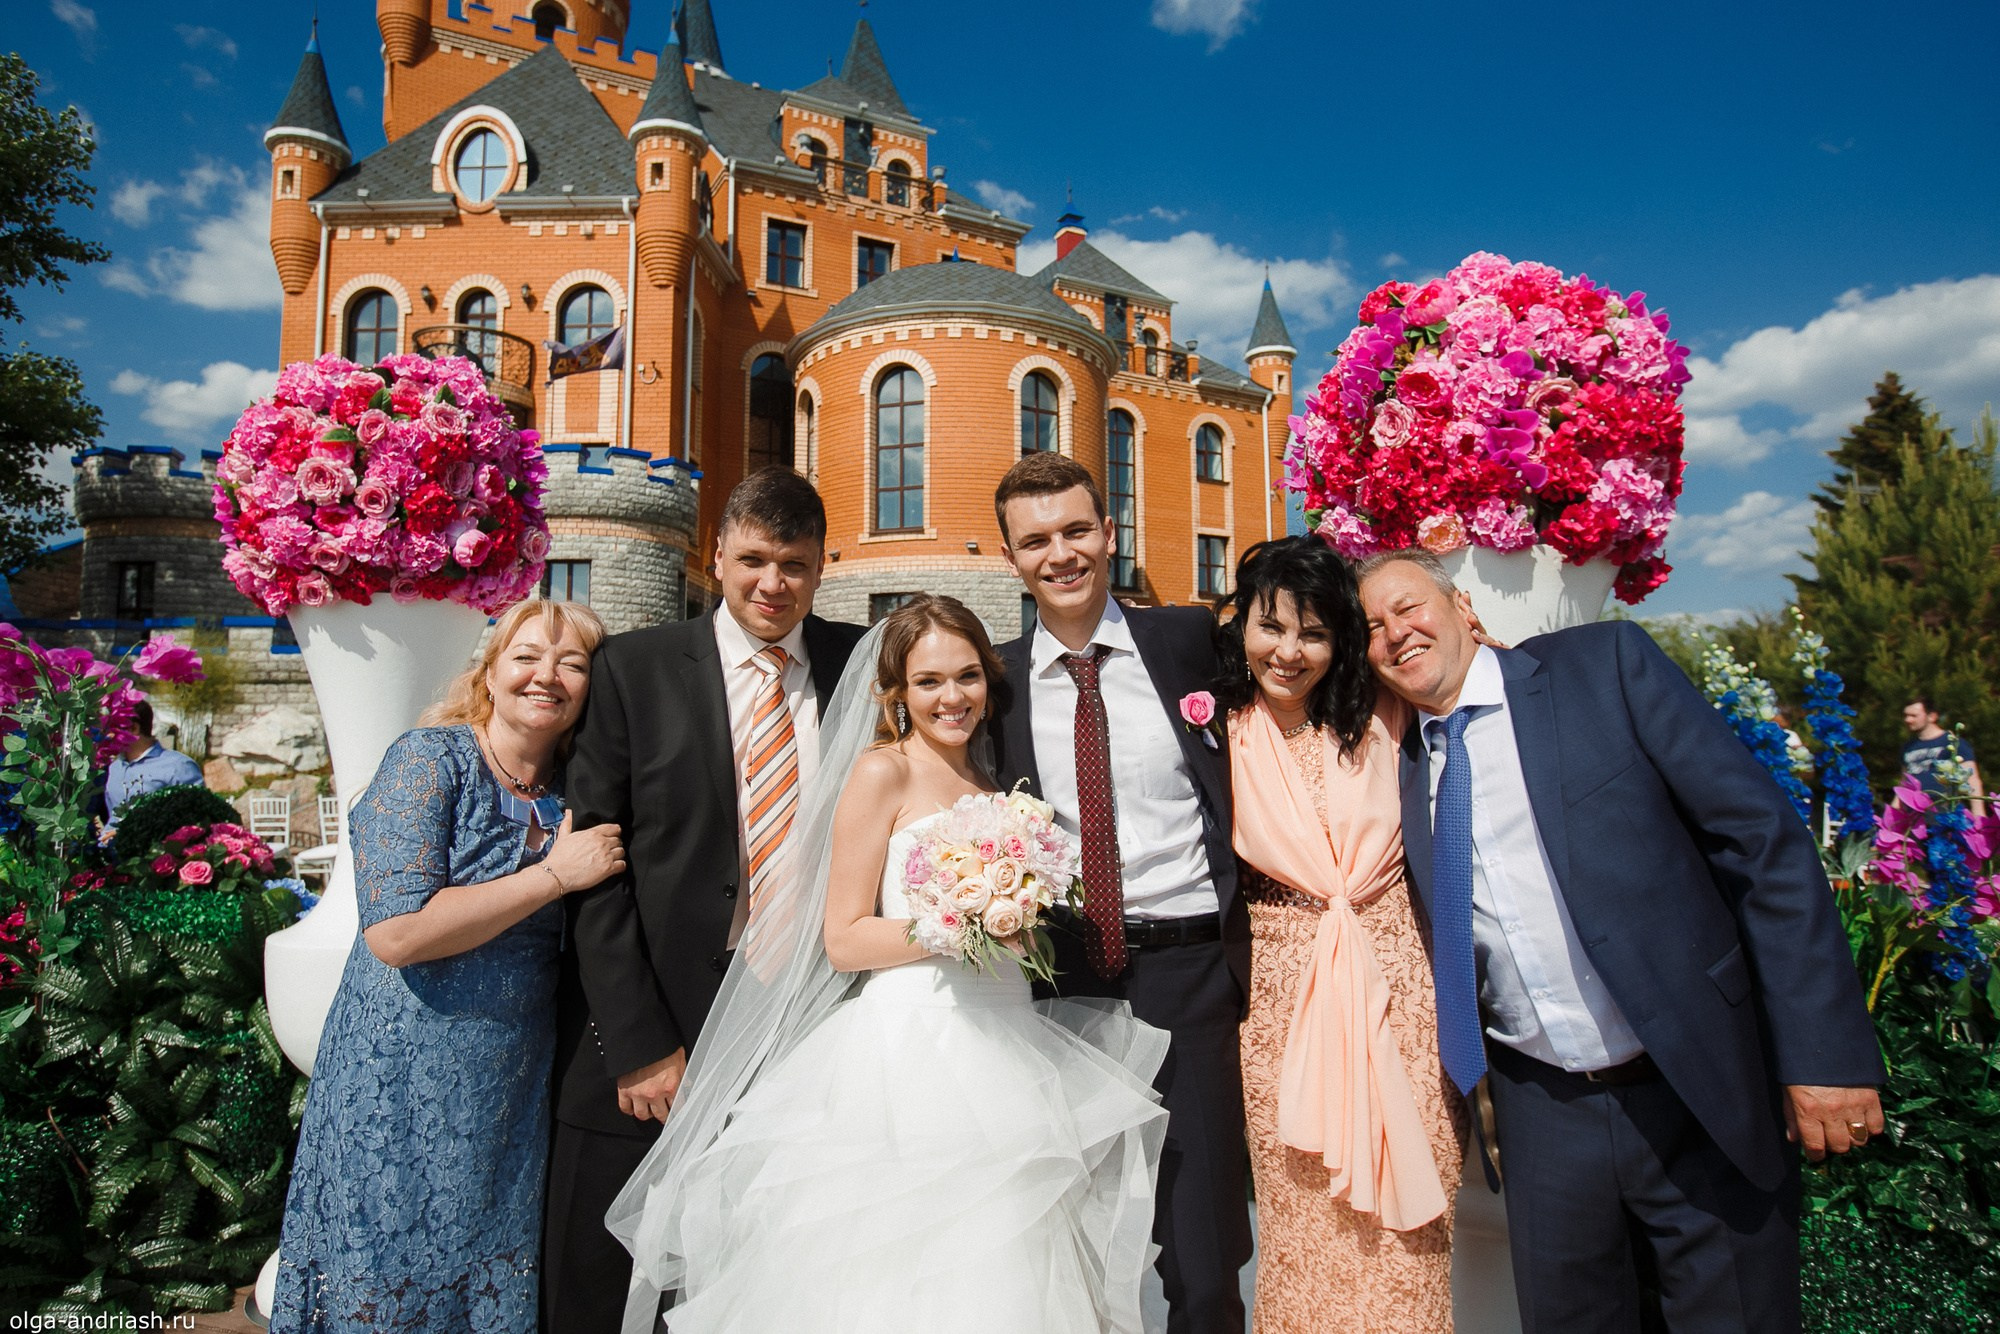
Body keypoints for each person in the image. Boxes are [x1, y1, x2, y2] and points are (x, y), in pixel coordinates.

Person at [1357, 549, 1886, 1333]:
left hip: (1695, 1082)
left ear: (1465, 609)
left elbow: (1762, 846)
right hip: (1544, 1110)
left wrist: (1825, 1053)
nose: (1394, 634)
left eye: (1407, 608)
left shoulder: (1603, 668)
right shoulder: (1396, 765)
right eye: (1371, 628)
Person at [608, 596, 1167, 1333]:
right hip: (910, 1059)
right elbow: (844, 938)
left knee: (1007, 1263)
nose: (952, 697)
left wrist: (1019, 926)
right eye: (929, 681)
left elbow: (1014, 944)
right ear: (898, 691)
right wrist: (961, 922)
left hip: (1009, 1050)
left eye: (967, 676)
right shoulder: (881, 774)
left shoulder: (995, 783)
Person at [546, 468, 866, 1331]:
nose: (773, 583)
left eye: (794, 564)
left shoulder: (859, 666)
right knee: (605, 1288)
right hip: (651, 1038)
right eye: (754, 558)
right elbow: (596, 865)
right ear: (715, 554)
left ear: (820, 566)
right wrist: (638, 1041)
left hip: (802, 1027)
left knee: (758, 1277)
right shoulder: (632, 669)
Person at [270, 598, 623, 1330]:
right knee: (387, 1268)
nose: (546, 676)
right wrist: (554, 876)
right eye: (526, 656)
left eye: (572, 662)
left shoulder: (574, 793)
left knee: (484, 1267)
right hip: (397, 1073)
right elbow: (396, 934)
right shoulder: (429, 761)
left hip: (508, 1085)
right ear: (490, 673)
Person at [987, 451, 1252, 1334]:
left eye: (1074, 531)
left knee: (1207, 1254)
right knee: (1075, 1242)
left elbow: (1304, 665)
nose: (1059, 555)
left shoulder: (1185, 640)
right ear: (1012, 560)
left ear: (1109, 534)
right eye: (1035, 542)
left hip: (1191, 975)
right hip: (1064, 984)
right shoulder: (996, 684)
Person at [1217, 537, 1466, 1332]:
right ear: (1241, 626)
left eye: (1315, 633)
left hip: (1403, 996)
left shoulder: (1388, 715)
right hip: (1282, 1007)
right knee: (1303, 1229)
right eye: (1272, 627)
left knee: (1411, 1233)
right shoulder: (1217, 730)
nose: (1289, 652)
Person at [104, 698, 204, 824]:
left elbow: (195, 818)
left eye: (112, 729)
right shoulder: (115, 767)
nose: (107, 735)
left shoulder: (178, 766)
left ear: (134, 728)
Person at [1902, 696, 1985, 817]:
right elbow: (1903, 783)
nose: (1907, 720)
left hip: (1943, 810)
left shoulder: (1952, 742)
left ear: (1932, 716)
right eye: (1906, 715)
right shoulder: (1908, 747)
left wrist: (1979, 813)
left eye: (1914, 716)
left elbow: (1971, 779)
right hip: (1914, 814)